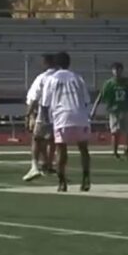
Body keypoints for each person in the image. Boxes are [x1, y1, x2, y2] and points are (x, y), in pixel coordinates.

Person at [40, 52, 92, 192]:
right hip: (80, 115)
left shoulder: (51, 79)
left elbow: (44, 104)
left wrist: (47, 122)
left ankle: (62, 181)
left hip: (62, 116)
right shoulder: (77, 78)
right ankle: (86, 178)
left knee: (61, 150)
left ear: (55, 64)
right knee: (83, 149)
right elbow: (87, 100)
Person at [91, 62, 128, 160]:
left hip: (126, 108)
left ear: (122, 70)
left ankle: (127, 149)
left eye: (119, 69)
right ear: (112, 71)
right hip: (114, 110)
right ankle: (114, 151)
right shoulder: (109, 83)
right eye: (115, 69)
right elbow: (101, 96)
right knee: (115, 131)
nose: (117, 72)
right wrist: (94, 109)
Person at [23, 54, 57, 182]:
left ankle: (35, 166)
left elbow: (33, 98)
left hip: (44, 111)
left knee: (37, 138)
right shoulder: (63, 77)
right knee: (52, 140)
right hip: (59, 112)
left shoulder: (43, 78)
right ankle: (48, 163)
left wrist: (28, 115)